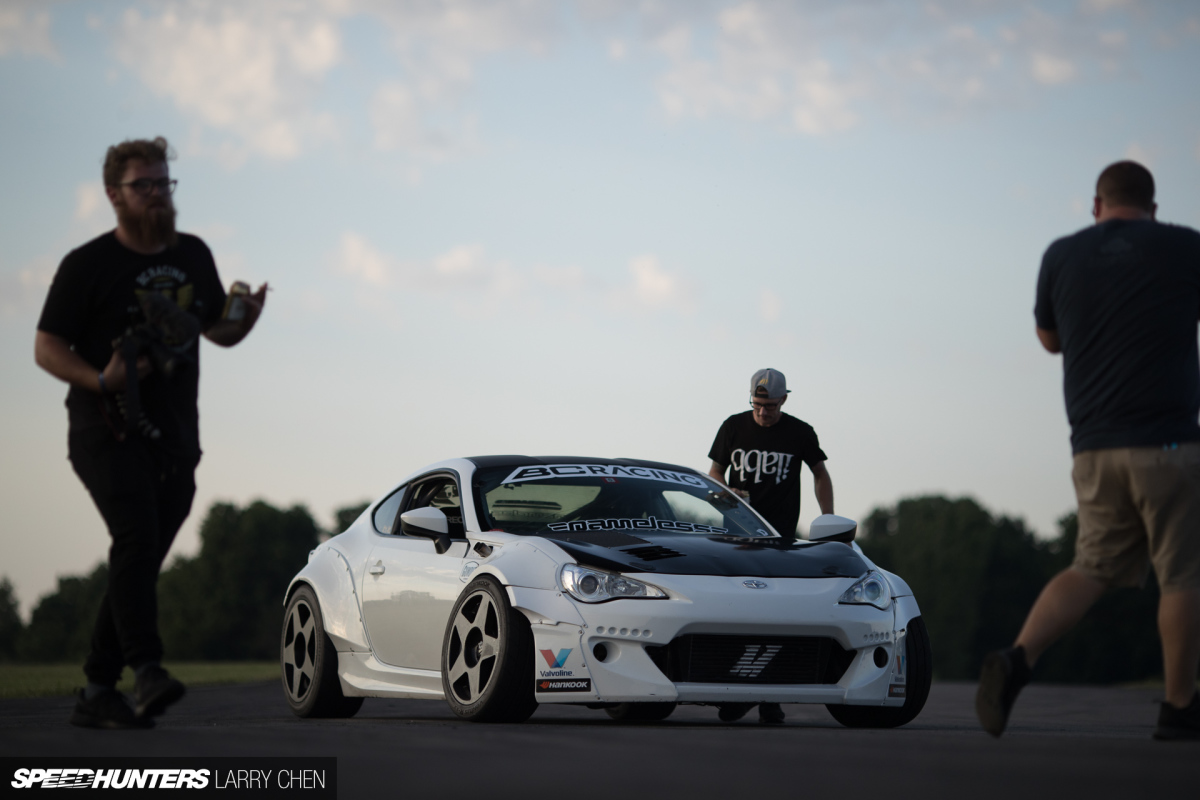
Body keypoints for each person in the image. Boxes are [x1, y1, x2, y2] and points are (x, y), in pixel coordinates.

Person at [34, 137, 267, 729]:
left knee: (140, 558)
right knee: (136, 537)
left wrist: (243, 320)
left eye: (165, 183)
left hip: (174, 436)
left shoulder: (192, 253)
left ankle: (94, 690)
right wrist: (99, 377)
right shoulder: (87, 265)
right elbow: (45, 347)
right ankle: (147, 670)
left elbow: (215, 329)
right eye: (145, 185)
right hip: (105, 430)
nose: (159, 194)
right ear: (114, 194)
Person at [976, 161, 1200, 741]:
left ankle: (1019, 657)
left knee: (1092, 566)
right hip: (1169, 443)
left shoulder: (1061, 254)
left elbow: (1050, 339)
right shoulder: (1183, 247)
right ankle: (1180, 707)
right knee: (1182, 575)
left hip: (1094, 447)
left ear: (1097, 205)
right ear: (1153, 207)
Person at [707, 367, 834, 724]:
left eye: (771, 406)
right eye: (758, 404)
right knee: (735, 614)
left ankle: (767, 697)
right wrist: (726, 493)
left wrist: (829, 519)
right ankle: (738, 690)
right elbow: (714, 473)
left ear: (784, 400)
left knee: (777, 616)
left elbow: (820, 473)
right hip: (735, 539)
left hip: (779, 541)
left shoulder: (799, 432)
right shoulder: (733, 426)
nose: (764, 412)